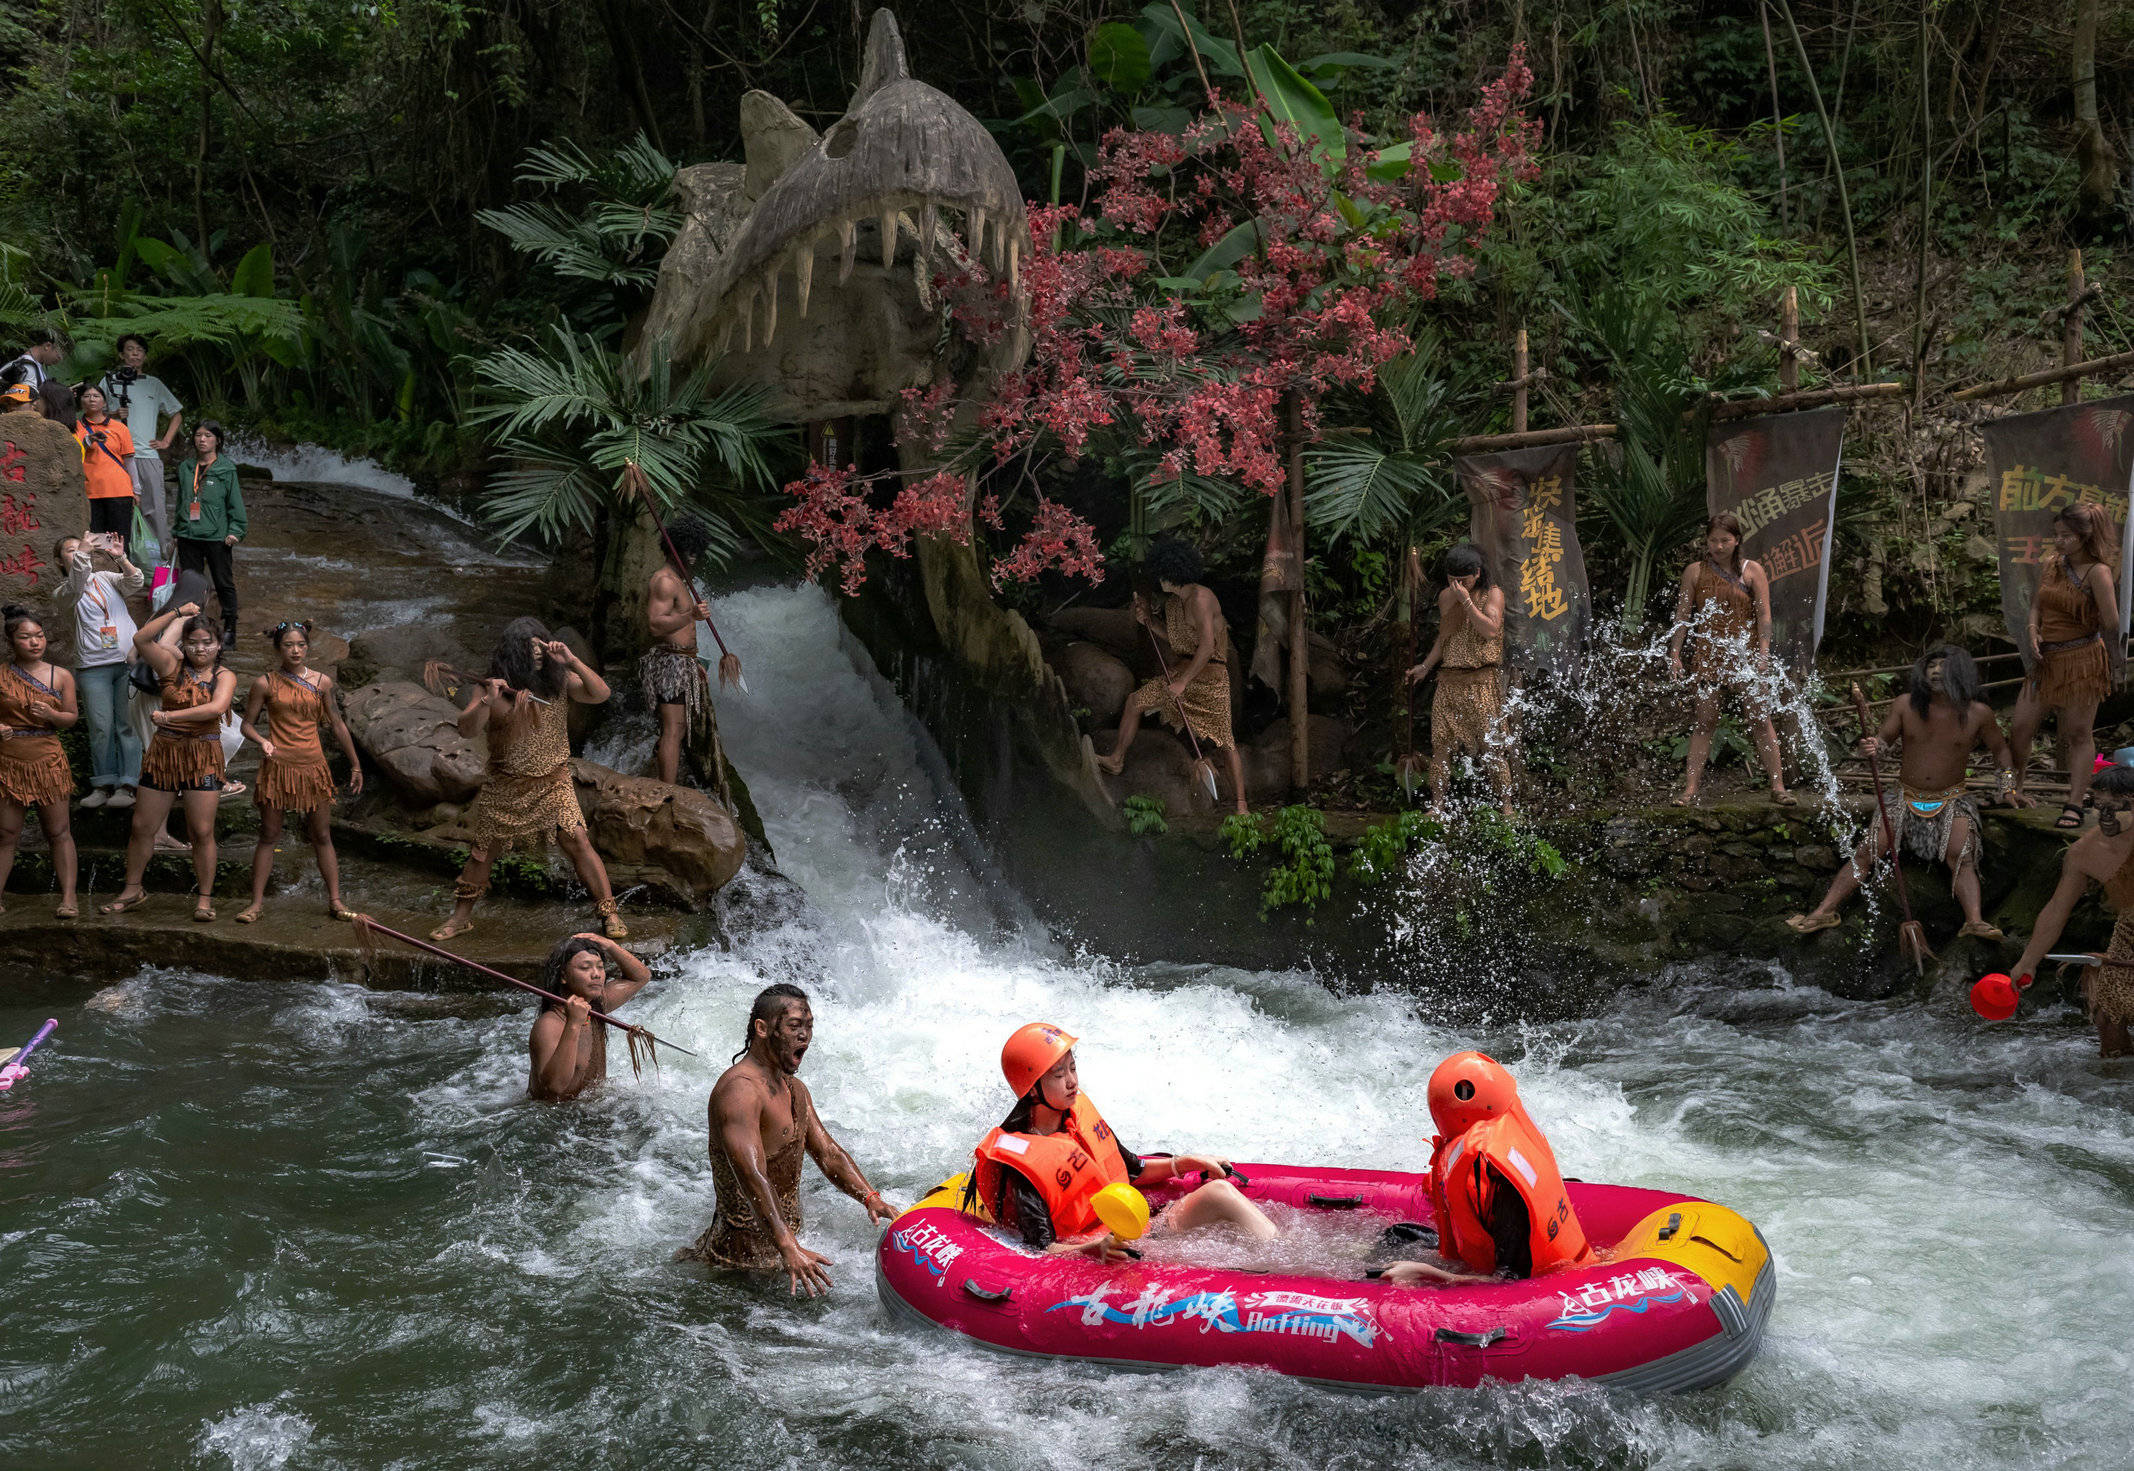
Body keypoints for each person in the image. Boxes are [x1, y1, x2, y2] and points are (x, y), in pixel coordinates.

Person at [961, 1022, 1275, 1262]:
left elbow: (1131, 1169)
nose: (1072, 1081)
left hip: (1133, 1232)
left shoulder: (1076, 1115)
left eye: (1073, 1068)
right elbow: (1039, 1248)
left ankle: (1280, 1257)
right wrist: (1092, 1249)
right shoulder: (1024, 1167)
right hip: (1103, 1255)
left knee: (1219, 1191)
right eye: (1058, 1075)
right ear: (1031, 1089)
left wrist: (1185, 1163)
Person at [1787, 645, 2031, 940]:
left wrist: (2008, 789)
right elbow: (1884, 741)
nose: (1936, 671)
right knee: (1866, 851)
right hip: (1904, 796)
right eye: (1931, 665)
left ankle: (1974, 921)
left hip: (1952, 798)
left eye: (1943, 665)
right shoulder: (1905, 705)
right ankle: (1823, 911)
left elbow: (2001, 750)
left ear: (1961, 672)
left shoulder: (1978, 713)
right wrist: (1873, 747)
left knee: (1961, 855)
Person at [679, 984, 895, 1294]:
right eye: (794, 1026)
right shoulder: (740, 1091)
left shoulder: (795, 1090)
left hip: (786, 1253)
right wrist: (787, 1245)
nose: (805, 1035)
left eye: (809, 1026)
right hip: (738, 1266)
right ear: (762, 1028)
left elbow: (828, 1154)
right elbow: (751, 1175)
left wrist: (870, 1197)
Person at [431, 618, 627, 942]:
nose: (537, 654)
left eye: (541, 646)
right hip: (506, 783)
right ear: (513, 653)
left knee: (578, 840)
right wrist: (486, 701)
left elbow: (601, 694)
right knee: (482, 853)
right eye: (530, 648)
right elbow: (466, 729)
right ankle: (459, 918)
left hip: (554, 780)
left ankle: (610, 913)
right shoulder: (491, 688)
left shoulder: (559, 680)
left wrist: (573, 660)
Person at [1382, 1051, 1592, 1286]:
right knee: (1399, 1233)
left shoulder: (1509, 1187)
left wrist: (1428, 1274)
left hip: (1542, 1285)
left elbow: (1509, 1282)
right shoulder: (1502, 1143)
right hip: (1488, 1255)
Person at [98, 602, 237, 920]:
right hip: (163, 756)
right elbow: (141, 640)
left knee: (201, 830)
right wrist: (177, 614)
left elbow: (216, 709)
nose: (200, 648)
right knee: (142, 826)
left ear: (218, 644)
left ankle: (204, 898)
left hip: (202, 756)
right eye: (193, 642)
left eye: (207, 642)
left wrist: (170, 716)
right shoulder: (170, 666)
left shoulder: (224, 675)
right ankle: (132, 889)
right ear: (183, 644)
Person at [1094, 541, 1248, 815]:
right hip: (1181, 673)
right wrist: (1150, 622)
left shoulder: (1201, 599)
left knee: (1225, 740)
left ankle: (1241, 805)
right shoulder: (1175, 604)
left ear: (1171, 573)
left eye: (1161, 575)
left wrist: (1183, 682)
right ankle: (1116, 759)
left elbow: (1207, 647)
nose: (1159, 581)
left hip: (1210, 679)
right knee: (1135, 701)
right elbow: (1179, 642)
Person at [235, 621, 363, 924]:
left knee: (321, 834)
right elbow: (246, 725)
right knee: (269, 834)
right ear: (279, 648)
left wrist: (356, 763)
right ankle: (255, 904)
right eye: (288, 645)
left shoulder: (322, 683)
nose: (295, 650)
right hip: (278, 767)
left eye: (301, 645)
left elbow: (337, 723)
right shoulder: (265, 683)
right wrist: (263, 740)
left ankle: (335, 901)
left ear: (308, 647)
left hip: (313, 767)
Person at [2005, 764, 2134, 1057]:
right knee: (2109, 1016)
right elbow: (2056, 909)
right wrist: (2028, 961)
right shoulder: (2084, 853)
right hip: (2129, 929)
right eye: (2099, 808)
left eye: (2115, 808)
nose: (2106, 818)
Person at [1667, 514, 1794, 808]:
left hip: (1746, 656)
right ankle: (1690, 790)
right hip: (1708, 658)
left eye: (1725, 540)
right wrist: (1675, 653)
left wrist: (1763, 654)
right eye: (1714, 540)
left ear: (1737, 540)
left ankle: (1778, 785)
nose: (1719, 546)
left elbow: (1764, 616)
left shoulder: (1752, 571)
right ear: (1706, 541)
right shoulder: (1695, 572)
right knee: (1704, 722)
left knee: (1760, 719)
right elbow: (1683, 617)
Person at [2010, 504, 2123, 829]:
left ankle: (2074, 803)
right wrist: (2033, 630)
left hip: (2081, 661)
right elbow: (2035, 606)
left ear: (2085, 537)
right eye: (2056, 535)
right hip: (2045, 661)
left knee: (2077, 734)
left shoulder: (2097, 572)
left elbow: (2112, 620)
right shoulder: (2051, 564)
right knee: (2018, 728)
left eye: (2066, 536)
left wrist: (2084, 613)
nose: (2058, 541)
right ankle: (2010, 788)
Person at [1405, 543, 1513, 817]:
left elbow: (1490, 630)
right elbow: (1445, 638)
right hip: (1449, 681)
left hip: (1481, 681)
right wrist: (1425, 666)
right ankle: (1438, 805)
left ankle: (1506, 806)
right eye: (1452, 579)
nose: (1456, 584)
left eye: (1462, 579)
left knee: (1493, 747)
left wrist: (1466, 601)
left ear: (1477, 573)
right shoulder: (1445, 597)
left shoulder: (1493, 594)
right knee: (1440, 745)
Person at [641, 513, 731, 802]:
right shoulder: (664, 581)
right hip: (670, 664)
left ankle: (668, 783)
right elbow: (655, 625)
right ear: (673, 548)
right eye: (686, 550)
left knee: (678, 729)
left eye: (696, 550)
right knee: (673, 728)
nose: (692, 556)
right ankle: (667, 792)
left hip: (685, 662)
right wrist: (690, 615)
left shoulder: (680, 580)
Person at [0, 605, 79, 918]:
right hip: (8, 760)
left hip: (47, 758)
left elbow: (71, 717)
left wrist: (53, 715)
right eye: (26, 637)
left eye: (39, 635)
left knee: (59, 831)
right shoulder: (2, 675)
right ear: (11, 641)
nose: (35, 642)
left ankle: (69, 897)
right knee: (5, 834)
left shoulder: (60, 675)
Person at [55, 532, 145, 810]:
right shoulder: (64, 592)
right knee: (101, 728)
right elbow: (78, 581)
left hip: (127, 663)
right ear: (60, 561)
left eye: (80, 549)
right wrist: (83, 551)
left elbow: (135, 582)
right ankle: (103, 784)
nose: (79, 553)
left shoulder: (105, 578)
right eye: (71, 551)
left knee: (127, 725)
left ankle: (129, 784)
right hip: (93, 668)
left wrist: (120, 558)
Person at [525, 933, 654, 1101]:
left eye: (600, 967)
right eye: (586, 968)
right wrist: (573, 1023)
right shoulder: (549, 1024)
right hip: (559, 1117)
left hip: (594, 1106)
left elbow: (641, 977)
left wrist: (611, 946)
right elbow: (554, 1088)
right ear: (563, 976)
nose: (597, 974)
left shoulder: (596, 1006)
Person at [98, 334, 183, 549]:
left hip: (146, 456)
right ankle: (112, 561)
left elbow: (177, 413)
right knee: (110, 508)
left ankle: (161, 566)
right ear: (121, 354)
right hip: (114, 457)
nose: (135, 353)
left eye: (140, 350)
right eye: (130, 349)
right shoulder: (109, 381)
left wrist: (165, 441)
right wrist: (113, 414)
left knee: (155, 510)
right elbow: (93, 414)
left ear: (145, 356)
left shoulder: (154, 384)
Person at [173, 421, 245, 649]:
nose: (202, 439)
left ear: (217, 440)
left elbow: (235, 503)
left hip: (217, 537)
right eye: (198, 435)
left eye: (207, 435)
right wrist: (177, 531)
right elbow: (182, 501)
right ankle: (194, 626)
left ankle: (231, 626)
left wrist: (236, 530)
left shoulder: (226, 469)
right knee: (191, 583)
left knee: (223, 582)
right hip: (188, 535)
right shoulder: (186, 467)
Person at [73, 385, 139, 539]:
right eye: (86, 396)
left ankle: (120, 564)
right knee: (95, 541)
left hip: (119, 490)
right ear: (80, 401)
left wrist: (137, 489)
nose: (91, 399)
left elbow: (129, 460)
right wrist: (88, 440)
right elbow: (72, 453)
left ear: (104, 402)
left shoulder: (119, 427)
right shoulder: (75, 427)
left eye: (96, 396)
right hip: (89, 491)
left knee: (119, 540)